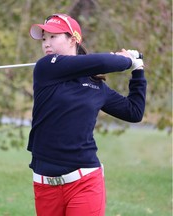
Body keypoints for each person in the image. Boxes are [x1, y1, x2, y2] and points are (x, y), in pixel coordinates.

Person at [27, 13, 146, 216]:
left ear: (73, 39)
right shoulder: (46, 68)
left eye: (53, 37)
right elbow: (102, 62)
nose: (46, 43)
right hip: (45, 185)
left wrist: (138, 71)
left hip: (85, 181)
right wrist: (126, 60)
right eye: (44, 38)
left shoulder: (95, 85)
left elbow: (134, 112)